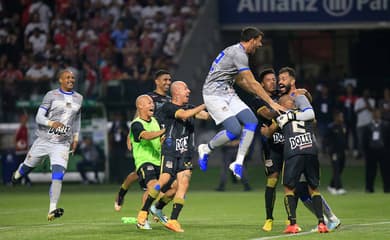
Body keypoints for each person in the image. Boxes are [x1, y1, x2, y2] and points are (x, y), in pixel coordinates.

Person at [259, 67, 340, 232]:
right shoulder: (292, 98)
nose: (278, 81)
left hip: (297, 149)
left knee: (299, 188)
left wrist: (289, 115)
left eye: (282, 78)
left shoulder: (297, 96)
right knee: (306, 189)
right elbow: (309, 120)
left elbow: (311, 117)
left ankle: (324, 219)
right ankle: (323, 221)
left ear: (292, 81)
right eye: (276, 79)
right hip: (301, 147)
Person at [198, 27, 285, 179]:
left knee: (251, 121)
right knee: (235, 130)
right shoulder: (239, 54)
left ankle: (238, 162)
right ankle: (206, 148)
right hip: (213, 95)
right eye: (258, 42)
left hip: (228, 92)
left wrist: (256, 92)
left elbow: (239, 80)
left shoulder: (235, 52)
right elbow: (252, 82)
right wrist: (271, 102)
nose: (259, 45)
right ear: (251, 40)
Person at [137, 81, 209, 233]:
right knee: (163, 181)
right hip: (170, 151)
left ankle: (172, 219)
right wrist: (204, 104)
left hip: (186, 153)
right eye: (186, 88)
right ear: (176, 92)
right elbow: (184, 115)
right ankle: (143, 212)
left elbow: (205, 116)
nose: (189, 91)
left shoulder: (190, 108)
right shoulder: (168, 107)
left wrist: (217, 107)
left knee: (182, 184)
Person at [12, 69, 83, 221]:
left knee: (58, 175)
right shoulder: (51, 95)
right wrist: (52, 123)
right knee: (27, 167)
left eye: (73, 77)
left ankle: (52, 209)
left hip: (62, 143)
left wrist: (76, 138)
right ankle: (17, 175)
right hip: (44, 140)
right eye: (67, 77)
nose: (71, 79)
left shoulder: (79, 98)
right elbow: (39, 117)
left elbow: (77, 120)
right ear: (60, 80)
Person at [114, 69, 172, 211]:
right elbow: (137, 116)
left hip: (159, 141)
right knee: (139, 174)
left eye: (170, 80)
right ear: (157, 81)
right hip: (147, 137)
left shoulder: (170, 100)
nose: (168, 83)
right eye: (165, 79)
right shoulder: (148, 98)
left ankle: (146, 212)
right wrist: (130, 135)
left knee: (149, 178)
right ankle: (123, 196)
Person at [276, 94, 329, 234]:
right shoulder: (306, 114)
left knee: (289, 188)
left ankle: (292, 224)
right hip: (311, 150)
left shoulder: (281, 115)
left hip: (294, 152)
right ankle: (322, 223)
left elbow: (272, 131)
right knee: (314, 189)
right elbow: (314, 122)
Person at [130, 94, 167, 230]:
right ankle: (144, 218)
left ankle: (154, 210)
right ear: (140, 106)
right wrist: (162, 132)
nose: (152, 105)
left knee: (172, 188)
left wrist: (162, 139)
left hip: (158, 160)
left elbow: (157, 139)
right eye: (149, 103)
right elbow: (145, 135)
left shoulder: (155, 121)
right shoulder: (136, 124)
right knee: (153, 186)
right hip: (144, 161)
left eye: (152, 103)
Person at [365, 109, 390, 193]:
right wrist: (366, 151)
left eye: (377, 113)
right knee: (370, 171)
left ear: (380, 114)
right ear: (372, 115)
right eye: (374, 113)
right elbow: (364, 140)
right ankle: (369, 188)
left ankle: (387, 188)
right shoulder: (368, 126)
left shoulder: (386, 125)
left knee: (385, 171)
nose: (376, 115)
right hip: (371, 151)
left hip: (383, 151)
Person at [325, 110, 347, 195]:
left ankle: (331, 186)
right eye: (340, 116)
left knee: (341, 169)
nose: (342, 118)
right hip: (334, 152)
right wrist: (328, 150)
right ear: (336, 117)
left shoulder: (343, 126)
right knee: (336, 169)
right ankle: (338, 188)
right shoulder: (331, 127)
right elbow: (326, 139)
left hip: (342, 151)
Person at [14, 113, 32, 186]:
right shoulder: (19, 129)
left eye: (25, 119)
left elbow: (28, 140)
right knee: (19, 167)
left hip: (25, 151)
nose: (24, 121)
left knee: (24, 167)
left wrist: (29, 150)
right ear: (21, 120)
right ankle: (26, 181)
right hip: (19, 152)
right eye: (23, 119)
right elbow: (15, 139)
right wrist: (16, 146)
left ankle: (22, 180)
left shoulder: (27, 129)